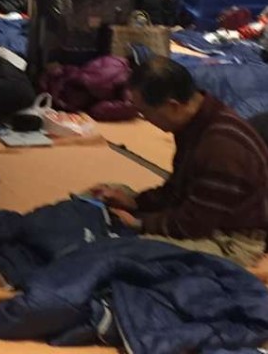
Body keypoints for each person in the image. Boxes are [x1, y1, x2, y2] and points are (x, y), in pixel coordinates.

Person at [90, 58, 268, 265]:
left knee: (133, 251)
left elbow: (194, 223)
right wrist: (136, 202)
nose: (144, 119)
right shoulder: (198, 120)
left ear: (172, 106)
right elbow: (177, 189)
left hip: (234, 239)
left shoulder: (221, 147)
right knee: (109, 193)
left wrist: (140, 223)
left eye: (145, 113)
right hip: (202, 213)